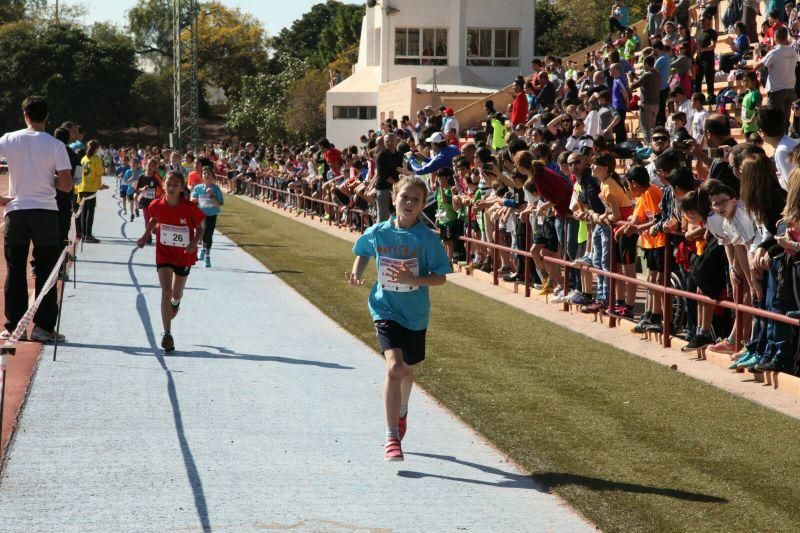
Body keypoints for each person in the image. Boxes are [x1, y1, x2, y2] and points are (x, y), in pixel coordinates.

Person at [346, 176, 451, 462]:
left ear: (421, 206)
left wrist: (413, 279)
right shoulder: (379, 232)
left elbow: (440, 278)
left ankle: (402, 409)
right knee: (394, 367)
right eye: (404, 197)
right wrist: (358, 272)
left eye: (415, 200)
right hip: (384, 308)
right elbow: (363, 251)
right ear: (394, 198)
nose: (408, 203)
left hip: (415, 315)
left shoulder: (428, 239)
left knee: (407, 369)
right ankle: (392, 437)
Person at [0, 96, 73, 342]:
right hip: (45, 213)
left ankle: (14, 328)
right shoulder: (55, 145)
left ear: (25, 115)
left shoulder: (9, 139)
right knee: (46, 271)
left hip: (16, 211)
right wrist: (47, 179)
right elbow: (65, 185)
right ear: (47, 116)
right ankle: (43, 327)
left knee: (15, 269)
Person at [137, 171, 206, 352]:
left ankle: (175, 304)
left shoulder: (189, 207)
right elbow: (153, 219)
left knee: (176, 294)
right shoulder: (156, 204)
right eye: (169, 182)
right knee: (166, 291)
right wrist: (145, 236)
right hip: (164, 253)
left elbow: (200, 228)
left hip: (184, 254)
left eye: (176, 183)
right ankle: (167, 334)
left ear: (182, 187)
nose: (172, 185)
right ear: (164, 184)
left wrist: (193, 242)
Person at [757, 26, 797, 133]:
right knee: (786, 120)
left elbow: (760, 65)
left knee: (775, 120)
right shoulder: (793, 51)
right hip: (790, 89)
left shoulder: (774, 53)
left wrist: (756, 54)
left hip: (777, 90)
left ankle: (780, 143)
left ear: (775, 37)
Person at [190, 165, 224, 267]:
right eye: (204, 173)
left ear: (212, 176)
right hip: (200, 214)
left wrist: (212, 196)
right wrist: (194, 199)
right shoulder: (198, 188)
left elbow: (219, 204)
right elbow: (192, 198)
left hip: (212, 214)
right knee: (201, 232)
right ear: (202, 176)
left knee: (208, 234)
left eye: (209, 173)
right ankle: (202, 249)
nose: (206, 175)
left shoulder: (216, 188)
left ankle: (207, 255)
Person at [76, 140, 108, 243]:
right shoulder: (96, 159)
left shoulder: (83, 159)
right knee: (90, 211)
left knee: (83, 212)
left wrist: (77, 189)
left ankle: (84, 234)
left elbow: (78, 174)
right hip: (90, 188)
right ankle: (88, 235)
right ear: (97, 148)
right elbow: (98, 175)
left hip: (81, 188)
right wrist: (100, 186)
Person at [136, 158, 164, 245]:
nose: (150, 167)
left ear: (155, 167)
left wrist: (161, 197)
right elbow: (137, 190)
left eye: (153, 166)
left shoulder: (156, 177)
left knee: (155, 219)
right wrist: (142, 189)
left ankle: (156, 231)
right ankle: (148, 237)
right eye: (149, 165)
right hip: (144, 201)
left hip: (154, 202)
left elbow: (164, 186)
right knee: (147, 219)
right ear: (146, 165)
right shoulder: (142, 177)